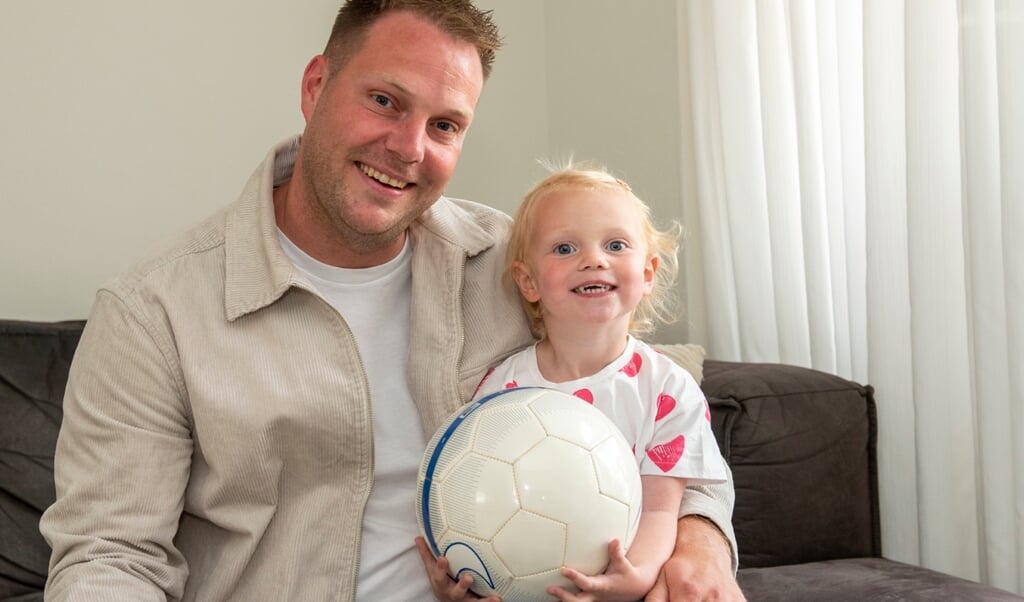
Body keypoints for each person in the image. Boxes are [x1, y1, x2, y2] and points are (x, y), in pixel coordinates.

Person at [40, 1, 744, 600]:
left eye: (445, 126)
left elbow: (655, 415)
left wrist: (702, 544)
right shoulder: (154, 313)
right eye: (385, 101)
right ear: (317, 87)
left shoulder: (515, 265)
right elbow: (109, 557)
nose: (408, 147)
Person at [467, 164, 729, 602]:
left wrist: (634, 577)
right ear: (528, 281)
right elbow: (476, 492)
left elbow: (662, 508)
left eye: (616, 244)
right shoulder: (503, 389)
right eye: (565, 247)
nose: (593, 259)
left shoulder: (666, 390)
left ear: (647, 273)